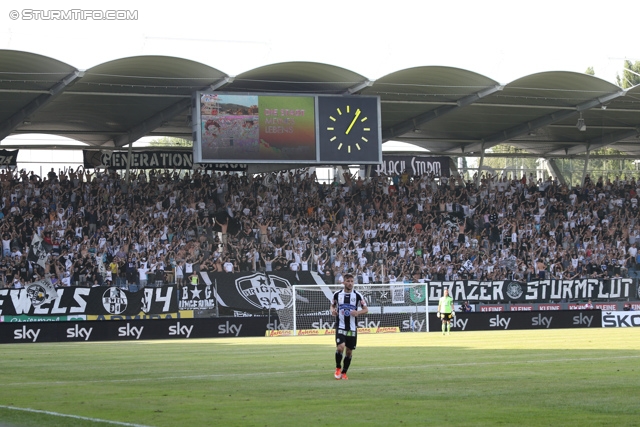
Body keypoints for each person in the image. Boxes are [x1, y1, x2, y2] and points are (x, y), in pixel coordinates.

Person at [330, 273, 368, 380]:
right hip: (340, 326)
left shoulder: (358, 295)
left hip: (352, 328)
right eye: (348, 281)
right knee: (340, 347)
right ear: (343, 282)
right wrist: (333, 311)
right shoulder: (337, 294)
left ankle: (344, 372)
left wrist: (358, 312)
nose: (350, 283)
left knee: (349, 351)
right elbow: (332, 305)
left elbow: (366, 309)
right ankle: (338, 368)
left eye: (352, 281)